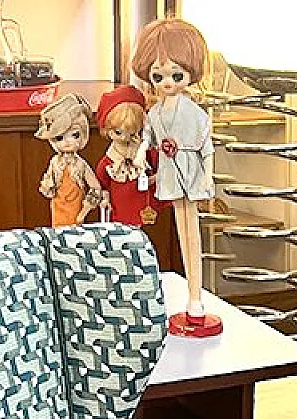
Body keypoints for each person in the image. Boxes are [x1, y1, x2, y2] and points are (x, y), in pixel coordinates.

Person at [132, 17, 222, 337]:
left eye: (176, 74)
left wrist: (208, 178)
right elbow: (148, 137)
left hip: (191, 173)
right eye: (158, 76)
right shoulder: (155, 112)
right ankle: (191, 296)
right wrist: (141, 153)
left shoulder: (195, 113)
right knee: (181, 231)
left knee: (192, 231)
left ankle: (196, 298)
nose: (167, 82)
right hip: (170, 173)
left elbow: (206, 147)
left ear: (189, 74)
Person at [95, 85, 161, 229]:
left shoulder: (143, 153)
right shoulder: (109, 162)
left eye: (131, 133)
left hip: (143, 207)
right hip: (118, 208)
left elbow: (154, 169)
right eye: (118, 132)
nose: (125, 138)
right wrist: (104, 198)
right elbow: (102, 182)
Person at [35, 93, 102, 228]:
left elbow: (96, 187)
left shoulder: (80, 164)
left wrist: (84, 211)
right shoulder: (55, 162)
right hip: (58, 207)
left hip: (76, 209)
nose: (67, 143)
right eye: (59, 138)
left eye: (74, 135)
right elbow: (48, 186)